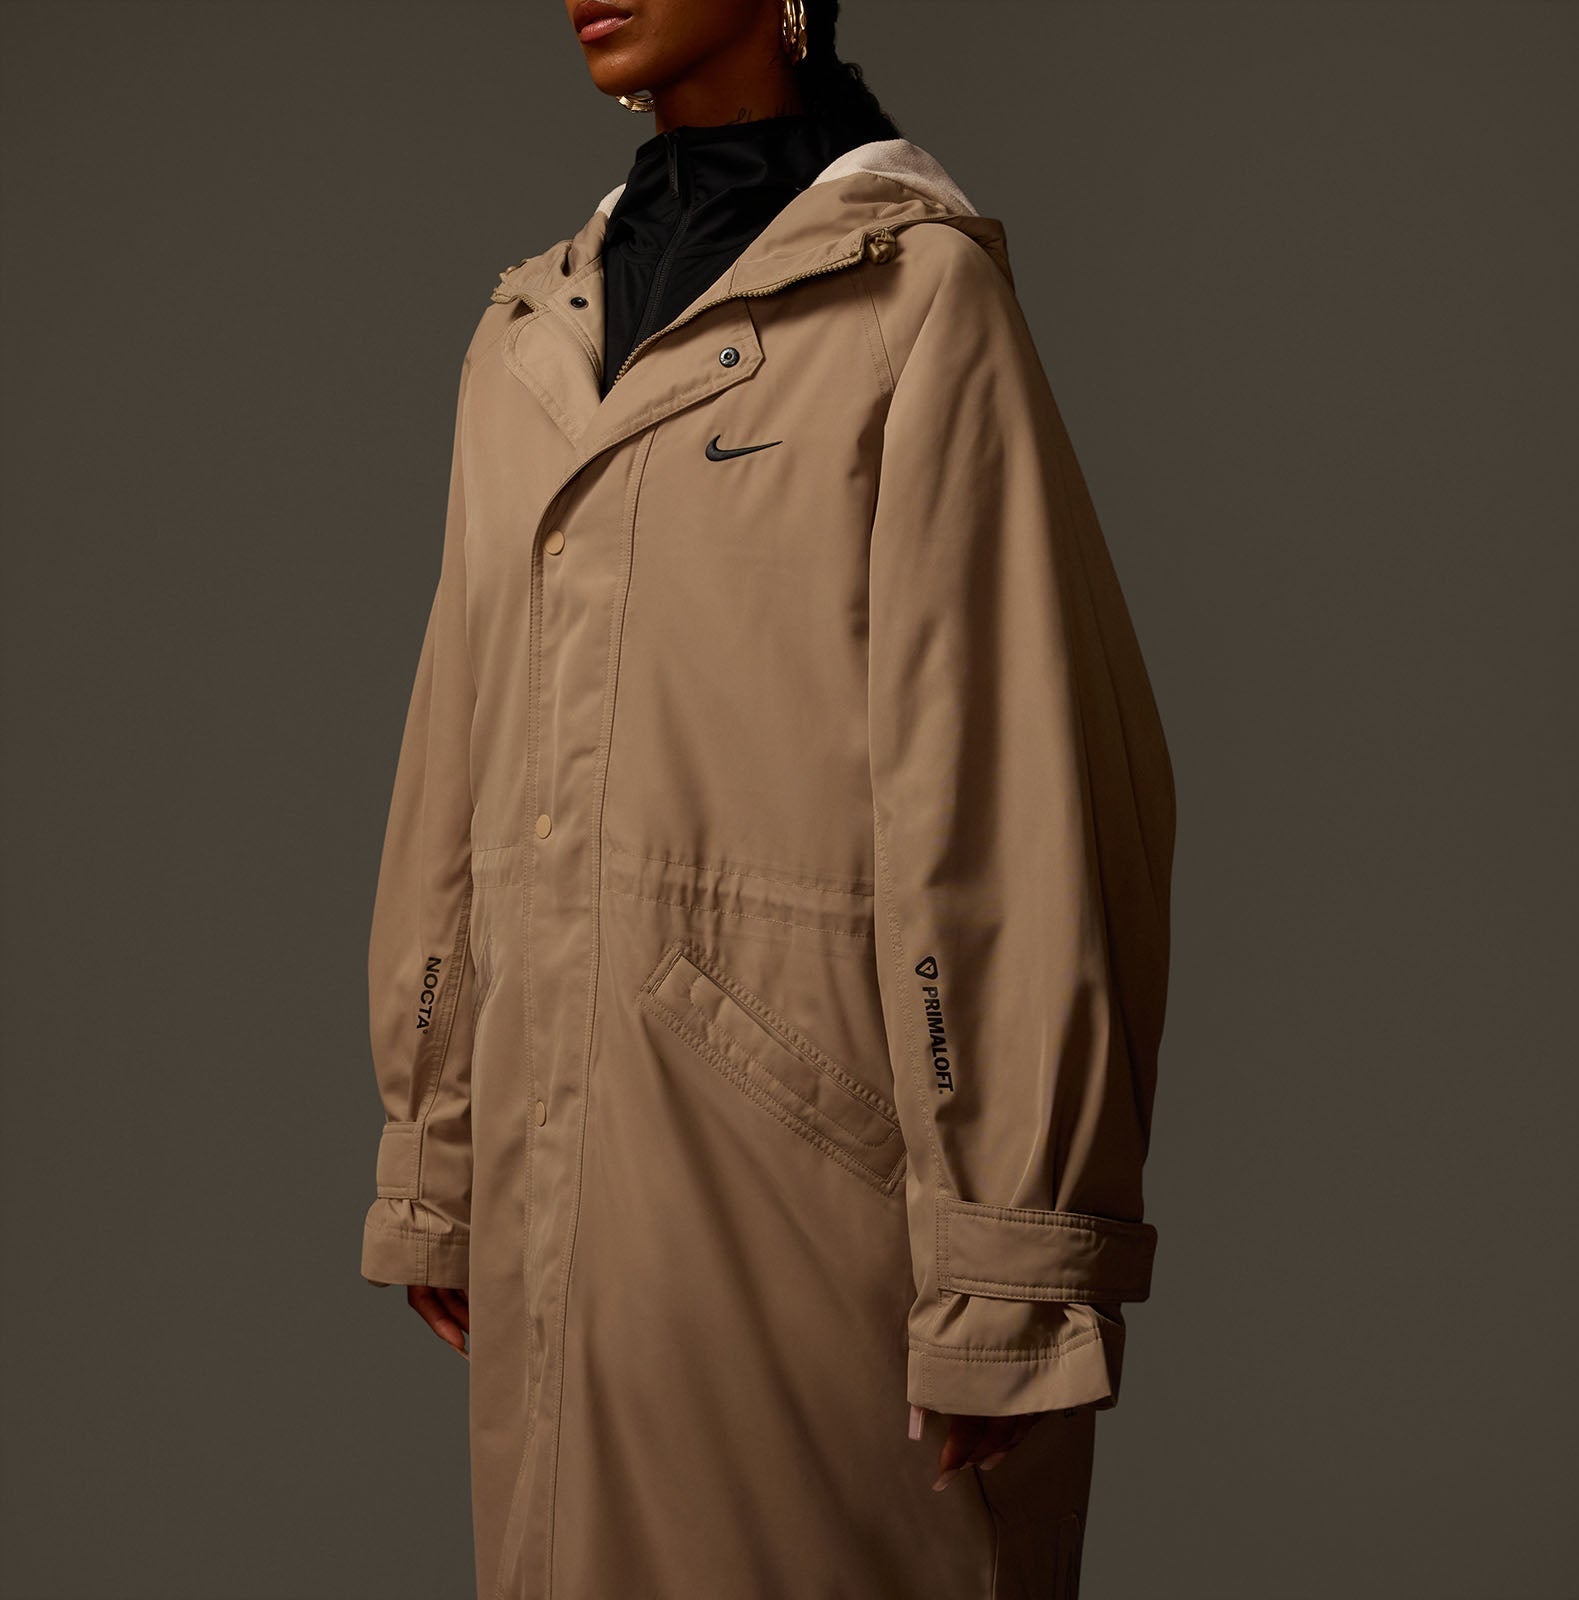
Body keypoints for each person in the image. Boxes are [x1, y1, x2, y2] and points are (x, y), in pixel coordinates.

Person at [357, 1, 1177, 1595]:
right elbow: (456, 741)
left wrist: (1009, 1246)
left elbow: (1010, 786)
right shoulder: (527, 337)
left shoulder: (910, 303)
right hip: (554, 1158)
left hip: (810, 1190)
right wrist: (434, 1135)